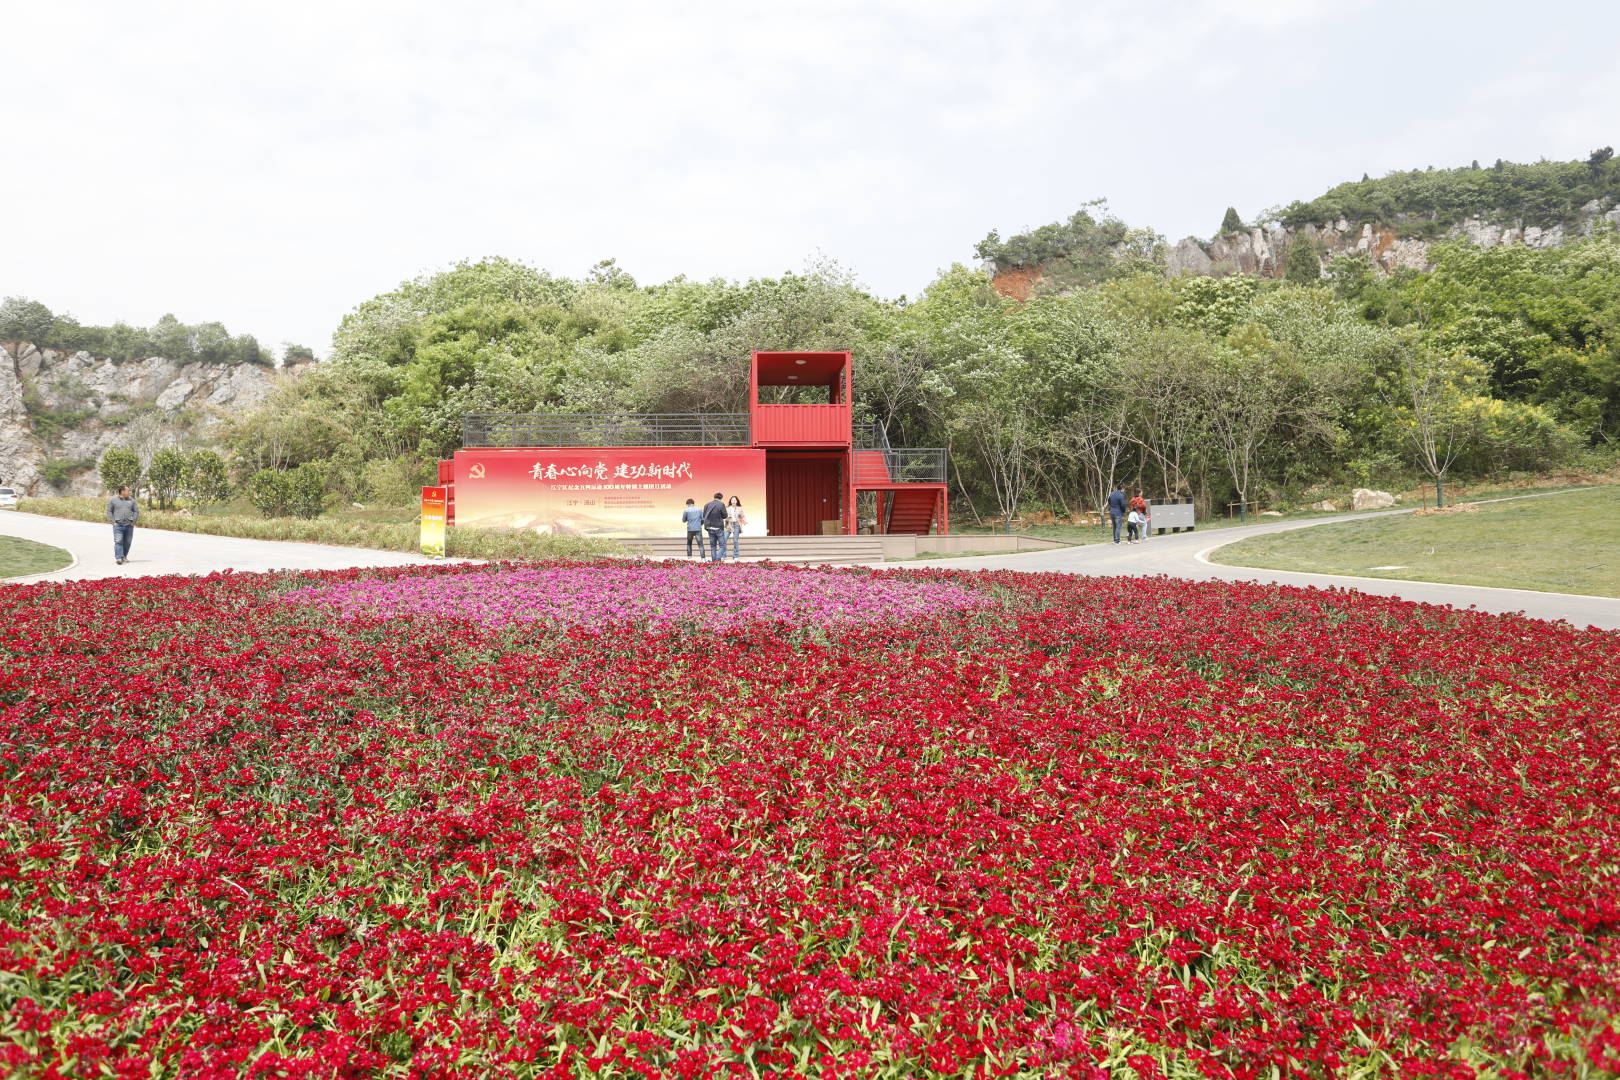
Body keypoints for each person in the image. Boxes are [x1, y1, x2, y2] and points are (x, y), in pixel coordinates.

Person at [107, 485, 139, 565]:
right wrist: (113, 521)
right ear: (122, 492)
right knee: (118, 541)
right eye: (128, 491)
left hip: (129, 525)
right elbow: (109, 511)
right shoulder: (113, 500)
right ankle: (119, 558)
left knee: (127, 542)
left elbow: (136, 511)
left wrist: (133, 521)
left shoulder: (132, 500)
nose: (129, 492)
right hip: (118, 525)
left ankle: (124, 556)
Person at [701, 492, 728, 563]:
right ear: (721, 498)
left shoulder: (707, 504)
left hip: (709, 527)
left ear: (714, 497)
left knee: (713, 546)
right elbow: (725, 516)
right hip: (718, 527)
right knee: (723, 546)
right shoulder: (721, 504)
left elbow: (704, 515)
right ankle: (717, 559)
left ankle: (714, 562)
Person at [724, 495, 748, 560]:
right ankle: (724, 555)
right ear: (730, 501)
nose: (733, 501)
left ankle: (736, 556)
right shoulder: (727, 508)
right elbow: (724, 516)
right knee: (724, 539)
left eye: (734, 500)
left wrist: (744, 521)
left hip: (736, 524)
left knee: (735, 541)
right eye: (732, 500)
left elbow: (742, 516)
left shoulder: (740, 508)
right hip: (729, 524)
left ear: (737, 501)